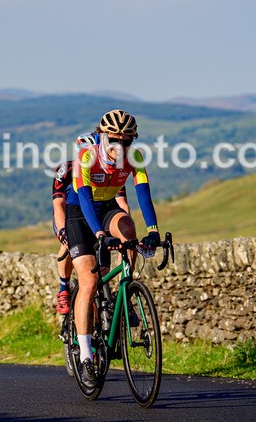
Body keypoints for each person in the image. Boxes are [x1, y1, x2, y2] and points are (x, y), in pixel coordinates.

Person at [64, 109, 161, 388]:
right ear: (103, 137)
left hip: (107, 207)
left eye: (126, 142)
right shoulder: (87, 154)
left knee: (129, 229)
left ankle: (125, 290)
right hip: (79, 213)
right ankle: (84, 356)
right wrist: (99, 234)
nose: (120, 147)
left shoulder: (134, 158)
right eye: (115, 141)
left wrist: (153, 232)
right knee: (90, 281)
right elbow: (82, 195)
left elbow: (144, 194)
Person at [52, 133, 128, 315]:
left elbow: (122, 203)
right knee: (68, 242)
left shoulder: (111, 169)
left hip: (99, 215)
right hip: (71, 213)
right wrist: (62, 230)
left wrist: (123, 230)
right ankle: (64, 288)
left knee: (102, 270)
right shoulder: (66, 169)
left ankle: (111, 299)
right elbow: (58, 204)